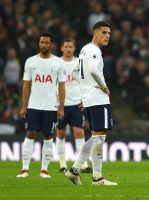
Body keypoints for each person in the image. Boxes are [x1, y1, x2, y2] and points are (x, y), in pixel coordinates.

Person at [65, 21, 117, 186]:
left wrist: (84, 89)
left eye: (109, 33)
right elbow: (94, 70)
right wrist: (104, 86)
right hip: (98, 98)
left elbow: (74, 71)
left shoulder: (84, 49)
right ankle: (97, 178)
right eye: (104, 32)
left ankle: (74, 170)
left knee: (96, 137)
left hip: (89, 98)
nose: (107, 35)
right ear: (95, 34)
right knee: (100, 137)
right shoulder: (94, 50)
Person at [16, 32, 66, 178]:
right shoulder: (30, 62)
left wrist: (61, 107)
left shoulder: (58, 63)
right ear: (39, 43)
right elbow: (26, 85)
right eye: (41, 42)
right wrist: (24, 106)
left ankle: (44, 170)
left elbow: (62, 87)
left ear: (51, 45)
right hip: (33, 105)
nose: (43, 45)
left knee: (48, 136)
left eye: (46, 43)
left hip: (51, 107)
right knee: (30, 133)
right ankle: (24, 169)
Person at [56, 38, 92, 173]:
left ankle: (83, 164)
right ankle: (62, 164)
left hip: (77, 104)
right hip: (61, 105)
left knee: (79, 133)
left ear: (74, 48)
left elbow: (85, 81)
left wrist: (85, 99)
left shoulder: (79, 63)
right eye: (66, 47)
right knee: (60, 134)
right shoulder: (57, 63)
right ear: (62, 48)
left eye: (71, 46)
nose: (68, 49)